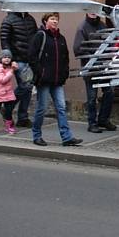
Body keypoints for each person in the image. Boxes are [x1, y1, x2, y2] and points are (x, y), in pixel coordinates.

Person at [29, 12, 82, 147]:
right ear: (45, 21)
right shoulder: (40, 36)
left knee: (61, 107)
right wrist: (40, 72)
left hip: (57, 80)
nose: (55, 22)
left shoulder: (61, 38)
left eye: (56, 19)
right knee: (42, 108)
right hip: (44, 80)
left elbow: (65, 58)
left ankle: (67, 137)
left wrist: (64, 73)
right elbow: (32, 57)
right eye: (52, 19)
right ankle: (37, 135)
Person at [73, 12, 115, 134]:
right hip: (90, 67)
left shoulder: (103, 25)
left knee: (109, 92)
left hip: (104, 66)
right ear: (86, 12)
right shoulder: (82, 27)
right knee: (92, 97)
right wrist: (93, 57)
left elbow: (110, 43)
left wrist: (108, 54)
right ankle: (92, 123)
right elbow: (78, 49)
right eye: (91, 10)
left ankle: (103, 119)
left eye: (96, 10)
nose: (93, 13)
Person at [0, 11, 38, 127]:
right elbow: (4, 41)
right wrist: (11, 60)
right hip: (17, 59)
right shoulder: (8, 20)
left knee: (27, 89)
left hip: (30, 59)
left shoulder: (30, 18)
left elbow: (35, 37)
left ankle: (22, 118)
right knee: (25, 86)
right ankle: (8, 106)